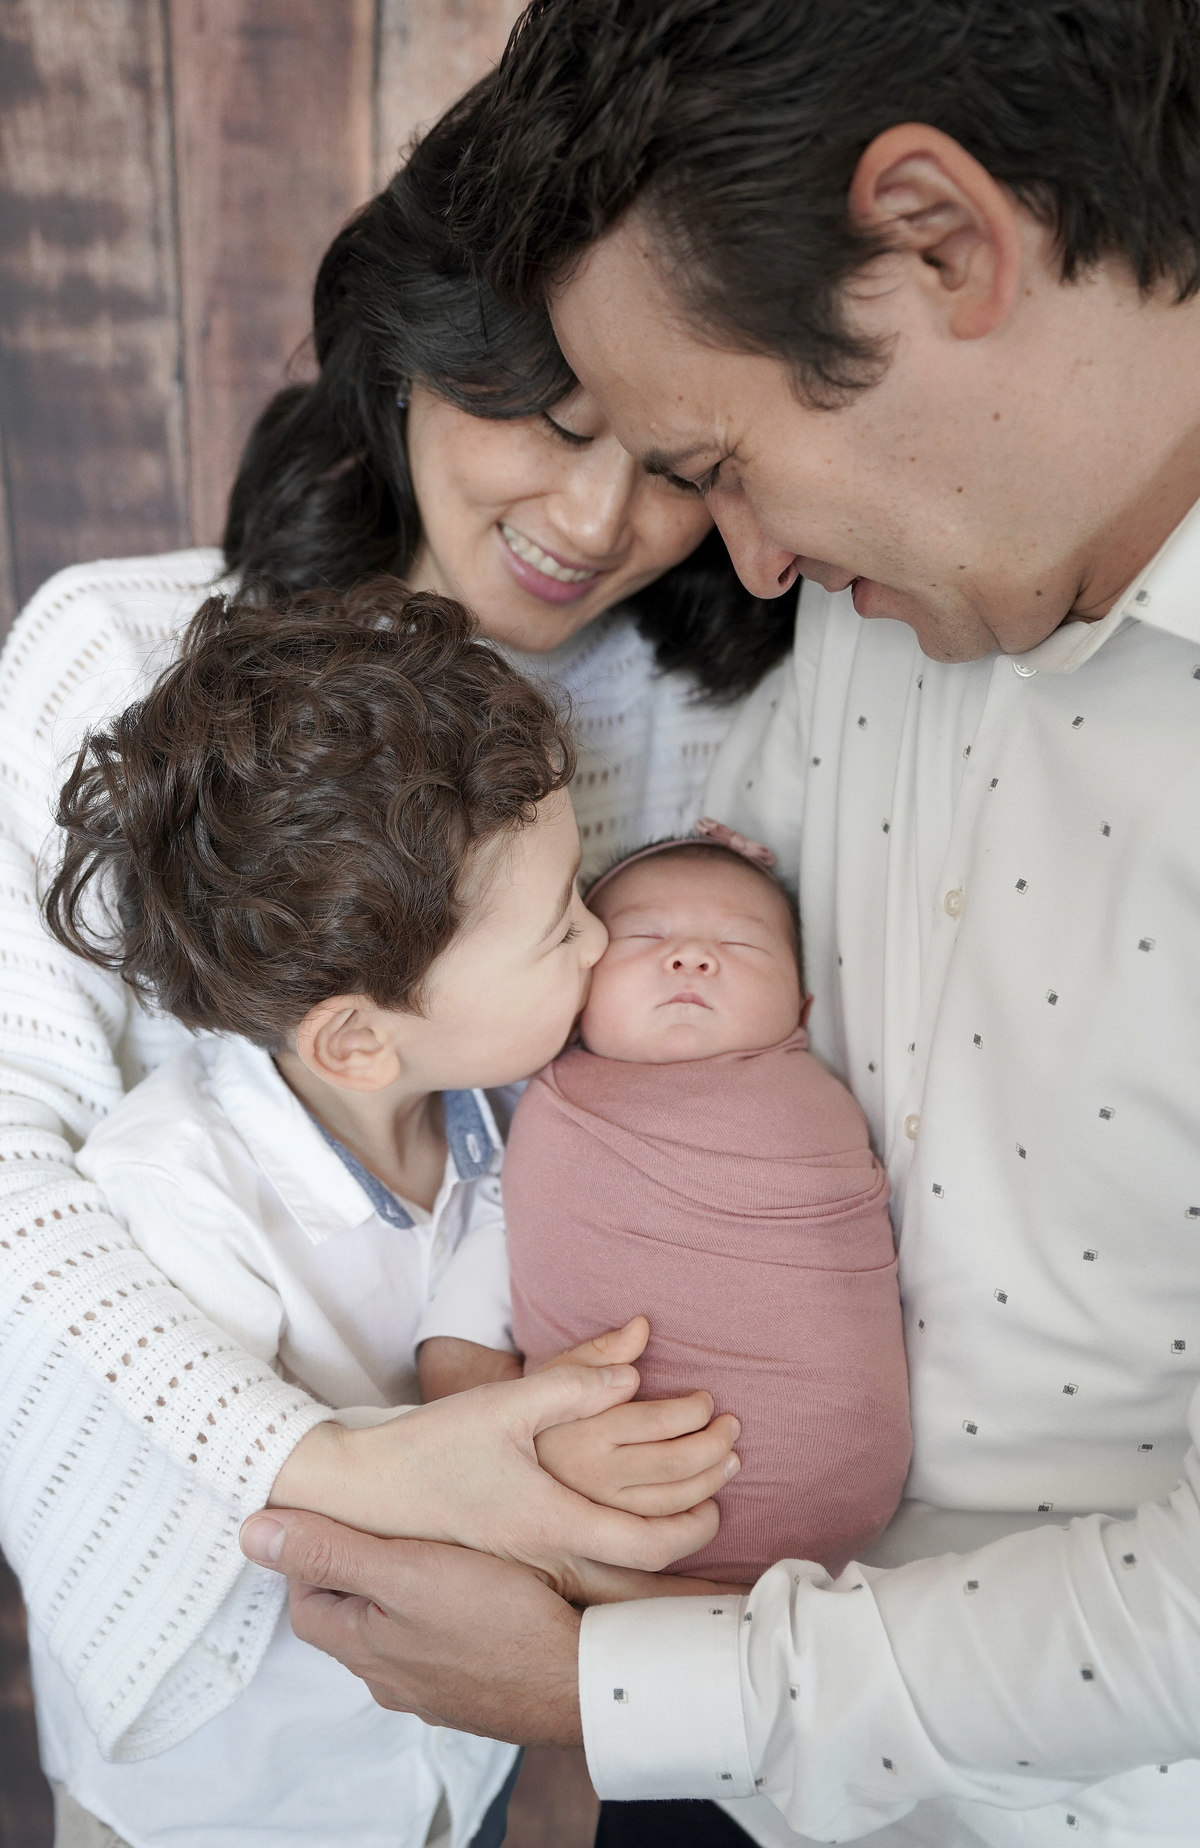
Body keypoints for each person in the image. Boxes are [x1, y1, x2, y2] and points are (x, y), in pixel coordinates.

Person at [238, 4, 1200, 1845]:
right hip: (719, 1770)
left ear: (941, 243)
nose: (743, 562)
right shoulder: (864, 601)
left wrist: (605, 1688)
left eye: (714, 456)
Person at [0, 90, 788, 1846]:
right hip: (213, 1662)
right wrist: (344, 1466)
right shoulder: (116, 656)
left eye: (673, 458)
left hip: (538, 1671)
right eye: (549, 419)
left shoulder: (700, 719)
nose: (596, 517)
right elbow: (10, 1169)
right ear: (413, 352)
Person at [34, 581, 734, 1848]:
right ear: (358, 1041)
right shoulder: (175, 1193)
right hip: (224, 1808)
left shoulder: (509, 1116)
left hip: (425, 1778)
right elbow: (208, 1503)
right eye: (557, 928)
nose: (597, 941)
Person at [506, 827, 910, 1584]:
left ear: (802, 1006)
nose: (691, 957)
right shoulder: (547, 1090)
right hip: (587, 1473)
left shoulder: (811, 1106)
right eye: (646, 936)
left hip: (824, 1471)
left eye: (742, 945)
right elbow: (497, 1239)